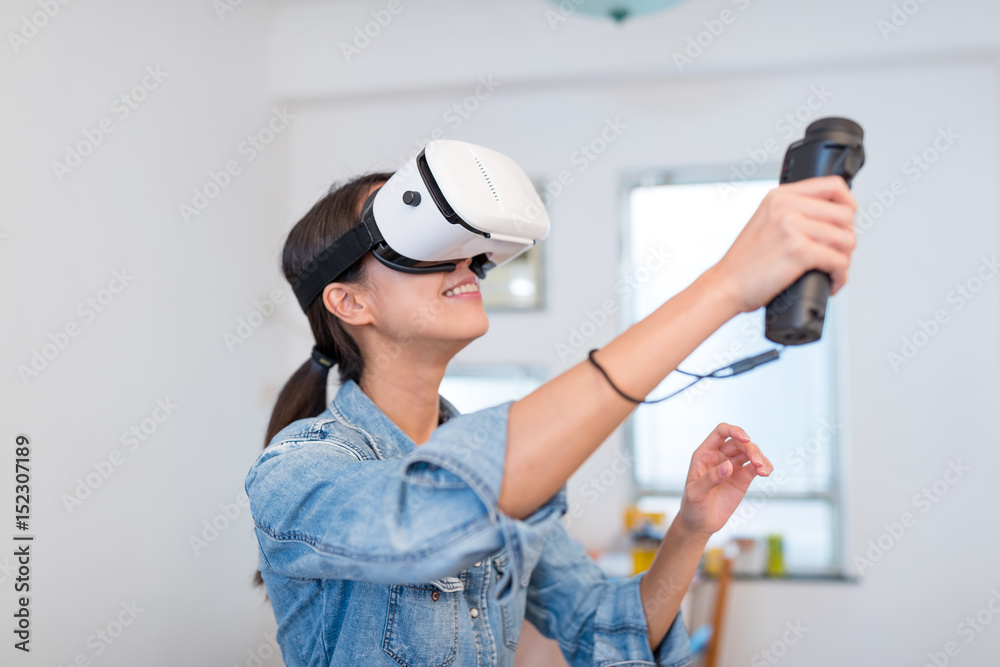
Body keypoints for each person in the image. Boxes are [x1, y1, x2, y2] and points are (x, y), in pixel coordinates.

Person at [244, 169, 857, 666]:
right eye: (416, 243)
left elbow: (604, 629)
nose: (462, 260)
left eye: (463, 246)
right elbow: (436, 513)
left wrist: (690, 529)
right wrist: (725, 286)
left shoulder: (502, 463)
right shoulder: (298, 471)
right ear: (349, 301)